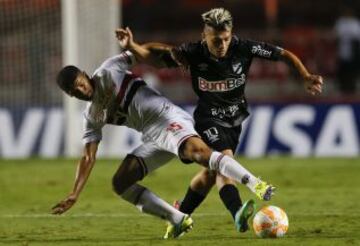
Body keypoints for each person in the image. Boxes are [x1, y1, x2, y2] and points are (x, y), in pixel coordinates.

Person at [115, 7, 323, 234]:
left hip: (236, 117)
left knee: (209, 173)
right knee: (224, 160)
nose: (221, 44)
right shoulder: (192, 52)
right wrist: (133, 47)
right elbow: (156, 58)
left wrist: (304, 75)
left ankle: (180, 214)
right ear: (205, 36)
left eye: (225, 39)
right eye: (216, 40)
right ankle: (237, 213)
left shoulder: (244, 47)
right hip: (208, 118)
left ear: (231, 34)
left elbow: (284, 54)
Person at [51, 48, 275, 239]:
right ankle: (177, 218)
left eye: (80, 84)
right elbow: (88, 156)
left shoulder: (108, 70)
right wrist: (74, 193)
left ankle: (255, 183)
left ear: (84, 74)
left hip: (168, 119)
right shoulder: (91, 116)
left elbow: (144, 52)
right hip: (152, 136)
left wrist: (157, 49)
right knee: (120, 182)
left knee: (200, 153)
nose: (81, 91)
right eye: (75, 92)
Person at [334, 5, 360, 94]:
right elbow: (336, 35)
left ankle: (352, 88)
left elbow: (357, 37)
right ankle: (342, 88)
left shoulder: (355, 23)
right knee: (342, 70)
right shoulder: (340, 22)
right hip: (342, 50)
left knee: (352, 71)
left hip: (354, 51)